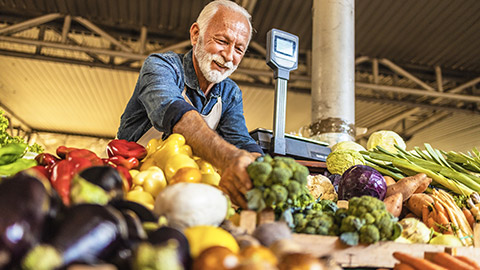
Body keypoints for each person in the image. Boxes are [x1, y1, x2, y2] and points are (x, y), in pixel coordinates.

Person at [117, 0, 263, 208]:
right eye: (222, 41)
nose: (229, 56)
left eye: (239, 49)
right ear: (196, 34)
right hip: (133, 185)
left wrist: (261, 170)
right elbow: (174, 112)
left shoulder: (230, 93)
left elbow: (240, 139)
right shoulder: (162, 66)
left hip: (187, 190)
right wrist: (229, 159)